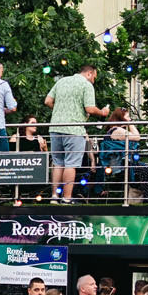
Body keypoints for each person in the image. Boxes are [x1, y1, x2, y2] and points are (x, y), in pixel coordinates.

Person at [44, 63, 102, 200]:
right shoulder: (86, 85)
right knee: (71, 164)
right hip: (74, 129)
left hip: (55, 127)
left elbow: (47, 101)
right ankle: (67, 198)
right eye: (94, 77)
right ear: (89, 73)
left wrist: (60, 111)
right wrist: (103, 112)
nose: (93, 80)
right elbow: (90, 109)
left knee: (58, 163)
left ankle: (54, 196)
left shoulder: (62, 81)